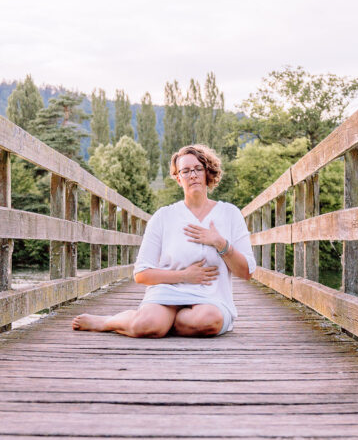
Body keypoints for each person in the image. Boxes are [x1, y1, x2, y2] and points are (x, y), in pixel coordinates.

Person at [72, 143, 255, 337]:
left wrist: (221, 244)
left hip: (212, 298)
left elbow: (247, 272)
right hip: (168, 293)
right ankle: (109, 321)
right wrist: (184, 276)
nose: (192, 175)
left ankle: (164, 322)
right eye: (185, 171)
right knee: (146, 326)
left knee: (207, 321)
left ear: (207, 172)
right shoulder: (164, 216)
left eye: (198, 169)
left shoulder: (230, 213)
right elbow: (141, 274)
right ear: (178, 178)